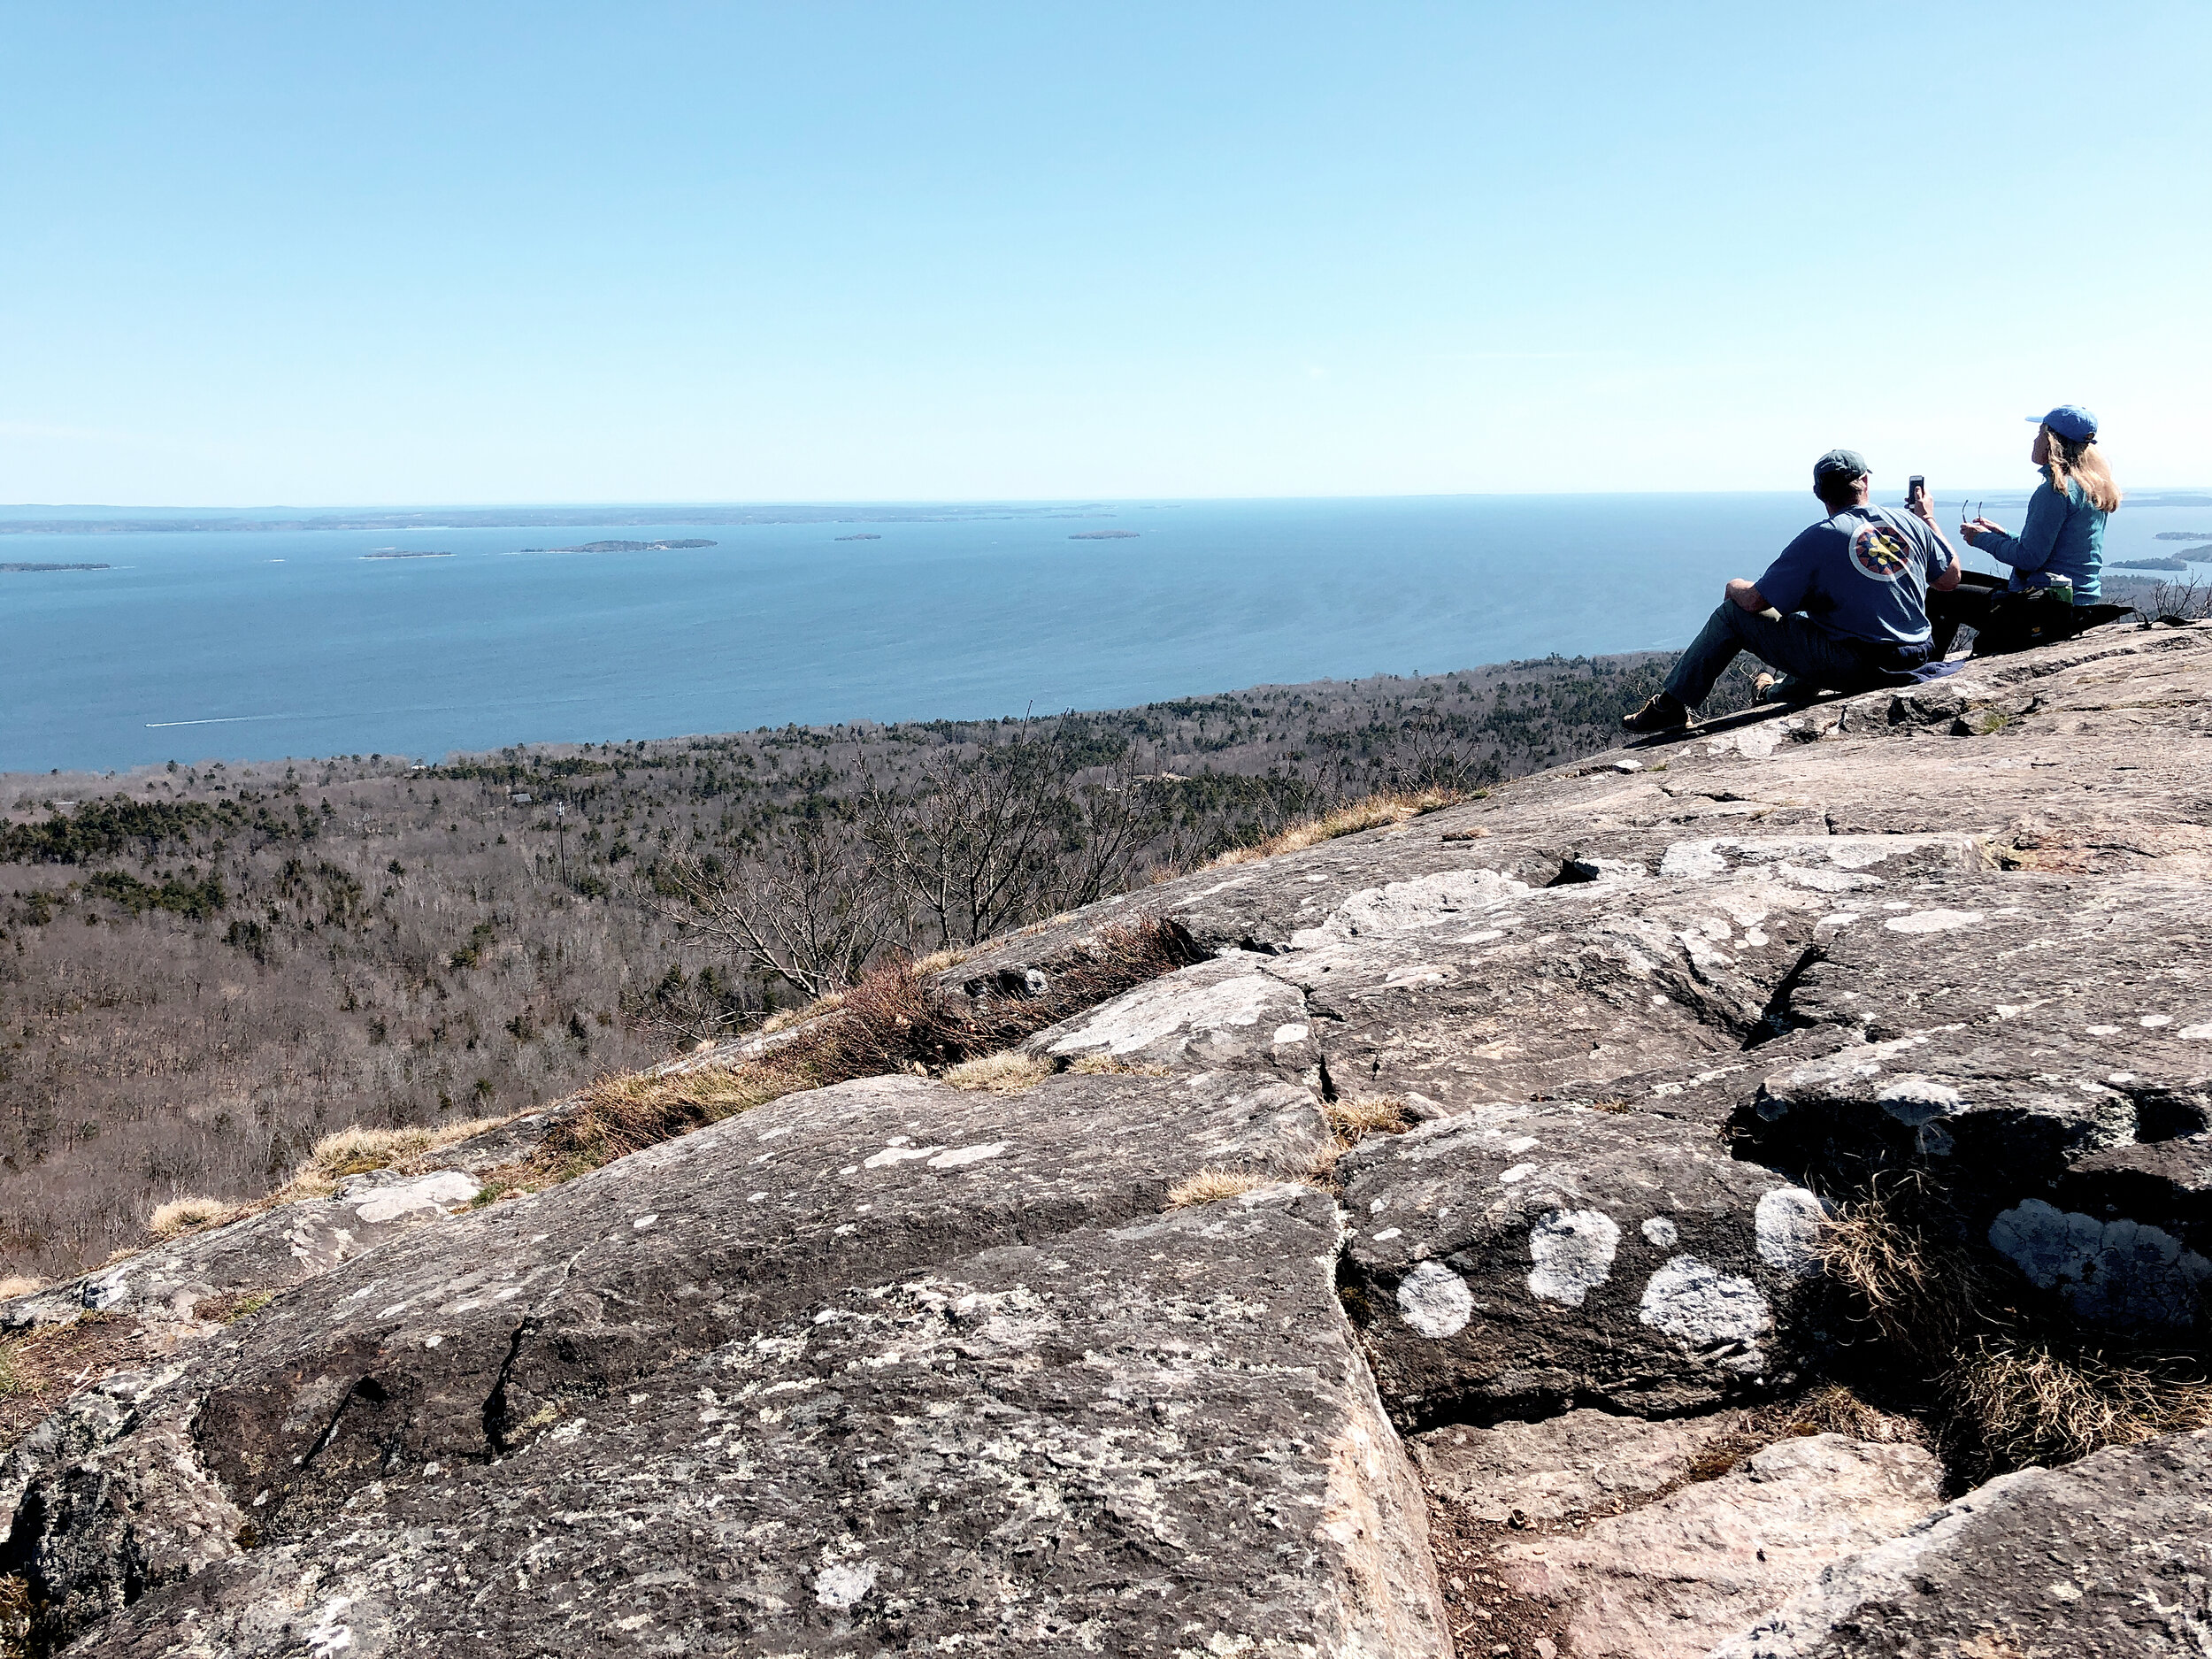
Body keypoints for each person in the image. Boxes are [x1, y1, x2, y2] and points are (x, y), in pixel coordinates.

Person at [1622, 449, 1961, 733]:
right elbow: (1949, 579)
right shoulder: (1909, 523)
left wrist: (1734, 586)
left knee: (1732, 615)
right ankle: (1773, 693)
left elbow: (1756, 601)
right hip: (1920, 654)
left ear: (1818, 492)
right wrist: (1928, 518)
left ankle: (1670, 707)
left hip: (1864, 667)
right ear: (1865, 482)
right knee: (1821, 623)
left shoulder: (1821, 537)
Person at [1920, 404, 2120, 658]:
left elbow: (2029, 558)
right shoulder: (2090, 487)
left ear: (2050, 441)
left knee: (1941, 593)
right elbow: (2050, 548)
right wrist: (2002, 533)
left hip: (2046, 610)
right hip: (2075, 603)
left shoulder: (2055, 491)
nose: (2034, 441)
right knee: (1955, 581)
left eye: (2039, 434)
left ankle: (1926, 666)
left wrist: (1981, 539)